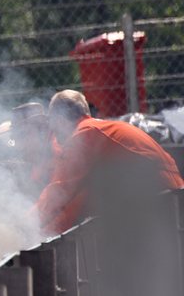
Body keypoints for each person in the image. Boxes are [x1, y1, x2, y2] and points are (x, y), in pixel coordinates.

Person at [36, 90, 184, 235]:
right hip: (167, 198)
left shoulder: (85, 134)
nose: (54, 134)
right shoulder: (96, 128)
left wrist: (26, 229)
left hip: (162, 201)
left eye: (54, 127)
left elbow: (59, 190)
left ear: (61, 121)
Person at [0, 102, 60, 198]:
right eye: (16, 135)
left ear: (41, 132)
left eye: (22, 134)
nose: (17, 142)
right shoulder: (36, 161)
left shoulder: (57, 158)